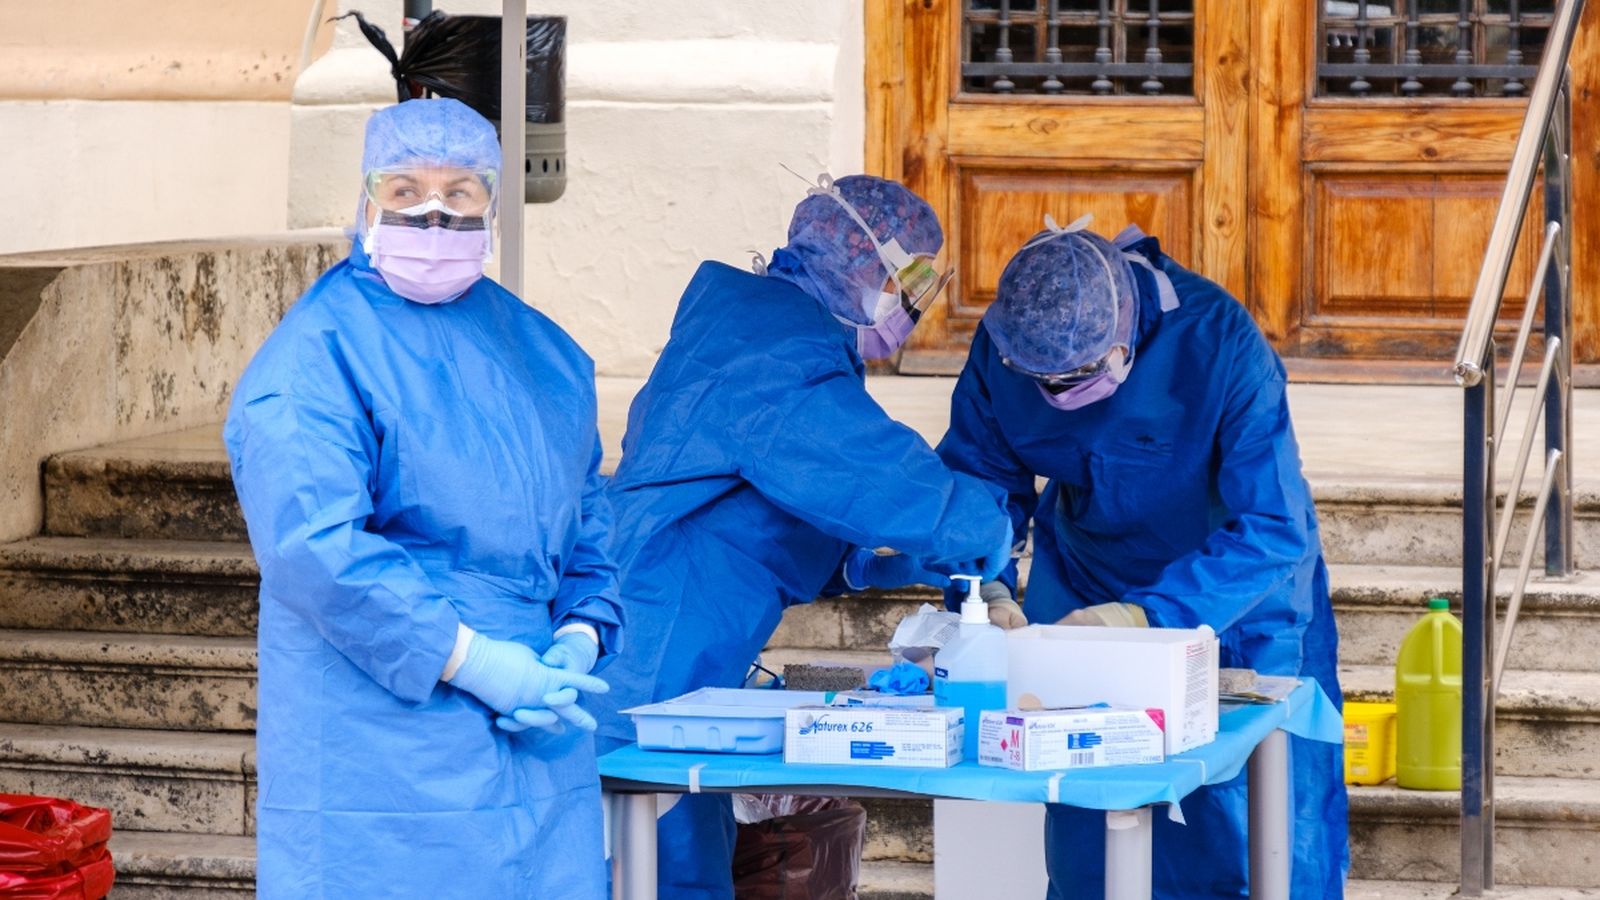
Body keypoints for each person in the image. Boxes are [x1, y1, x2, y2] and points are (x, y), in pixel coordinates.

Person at [223, 97, 622, 899]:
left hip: (535, 741)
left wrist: (579, 636)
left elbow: (586, 517)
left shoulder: (541, 353)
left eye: (461, 192)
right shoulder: (316, 356)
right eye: (404, 190)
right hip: (379, 744)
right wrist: (471, 659)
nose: (434, 212)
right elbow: (316, 546)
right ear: (365, 202)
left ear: (493, 203)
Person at [587, 173, 1015, 899]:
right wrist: (990, 531)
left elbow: (756, 491)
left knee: (684, 856)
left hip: (670, 637)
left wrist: (858, 565)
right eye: (906, 280)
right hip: (653, 654)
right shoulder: (775, 355)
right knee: (663, 873)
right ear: (863, 267)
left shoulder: (757, 328)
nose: (913, 304)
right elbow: (881, 475)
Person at [935, 216, 1348, 899]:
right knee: (1088, 823)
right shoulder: (1010, 340)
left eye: (1081, 376)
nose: (1058, 396)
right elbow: (978, 482)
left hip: (1232, 591)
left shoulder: (1218, 343)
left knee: (1255, 828)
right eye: (1044, 382)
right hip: (1084, 576)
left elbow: (1272, 526)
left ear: (1127, 331)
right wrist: (988, 591)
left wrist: (1143, 619)